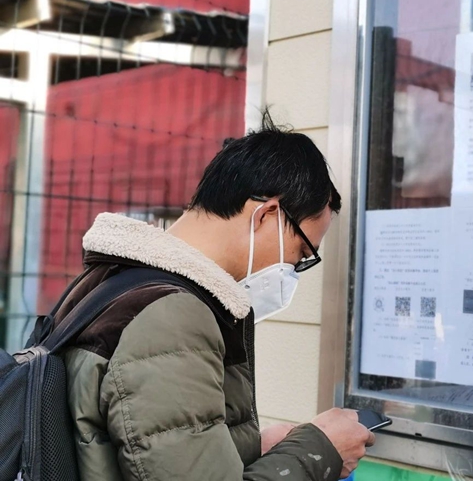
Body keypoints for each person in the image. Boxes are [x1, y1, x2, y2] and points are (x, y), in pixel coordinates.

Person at [56, 111, 373, 481]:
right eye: (302, 252)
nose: (293, 269)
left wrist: (255, 447)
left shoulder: (109, 282)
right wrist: (321, 451)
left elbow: (144, 447)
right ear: (267, 215)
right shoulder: (172, 318)